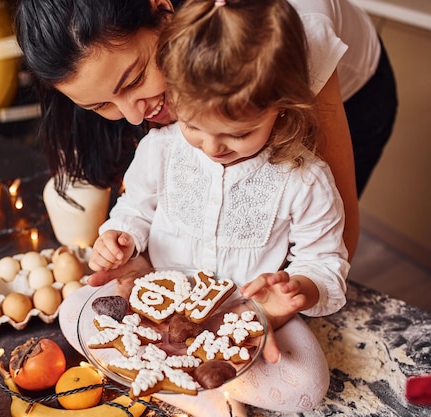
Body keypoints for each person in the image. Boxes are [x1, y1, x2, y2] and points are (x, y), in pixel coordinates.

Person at [60, 1, 350, 415]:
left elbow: (324, 261)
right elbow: (134, 210)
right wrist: (121, 240)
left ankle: (181, 381)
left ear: (280, 104)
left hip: (241, 321)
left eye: (238, 133)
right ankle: (209, 396)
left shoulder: (304, 180)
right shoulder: (159, 149)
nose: (213, 148)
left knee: (306, 386)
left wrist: (299, 291)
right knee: (73, 310)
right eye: (194, 126)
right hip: (156, 306)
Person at [9, 0, 398, 263]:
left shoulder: (291, 24)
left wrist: (284, 304)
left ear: (163, 12)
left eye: (135, 79)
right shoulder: (141, 102)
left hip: (354, 95)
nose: (131, 116)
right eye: (100, 106)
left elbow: (333, 239)